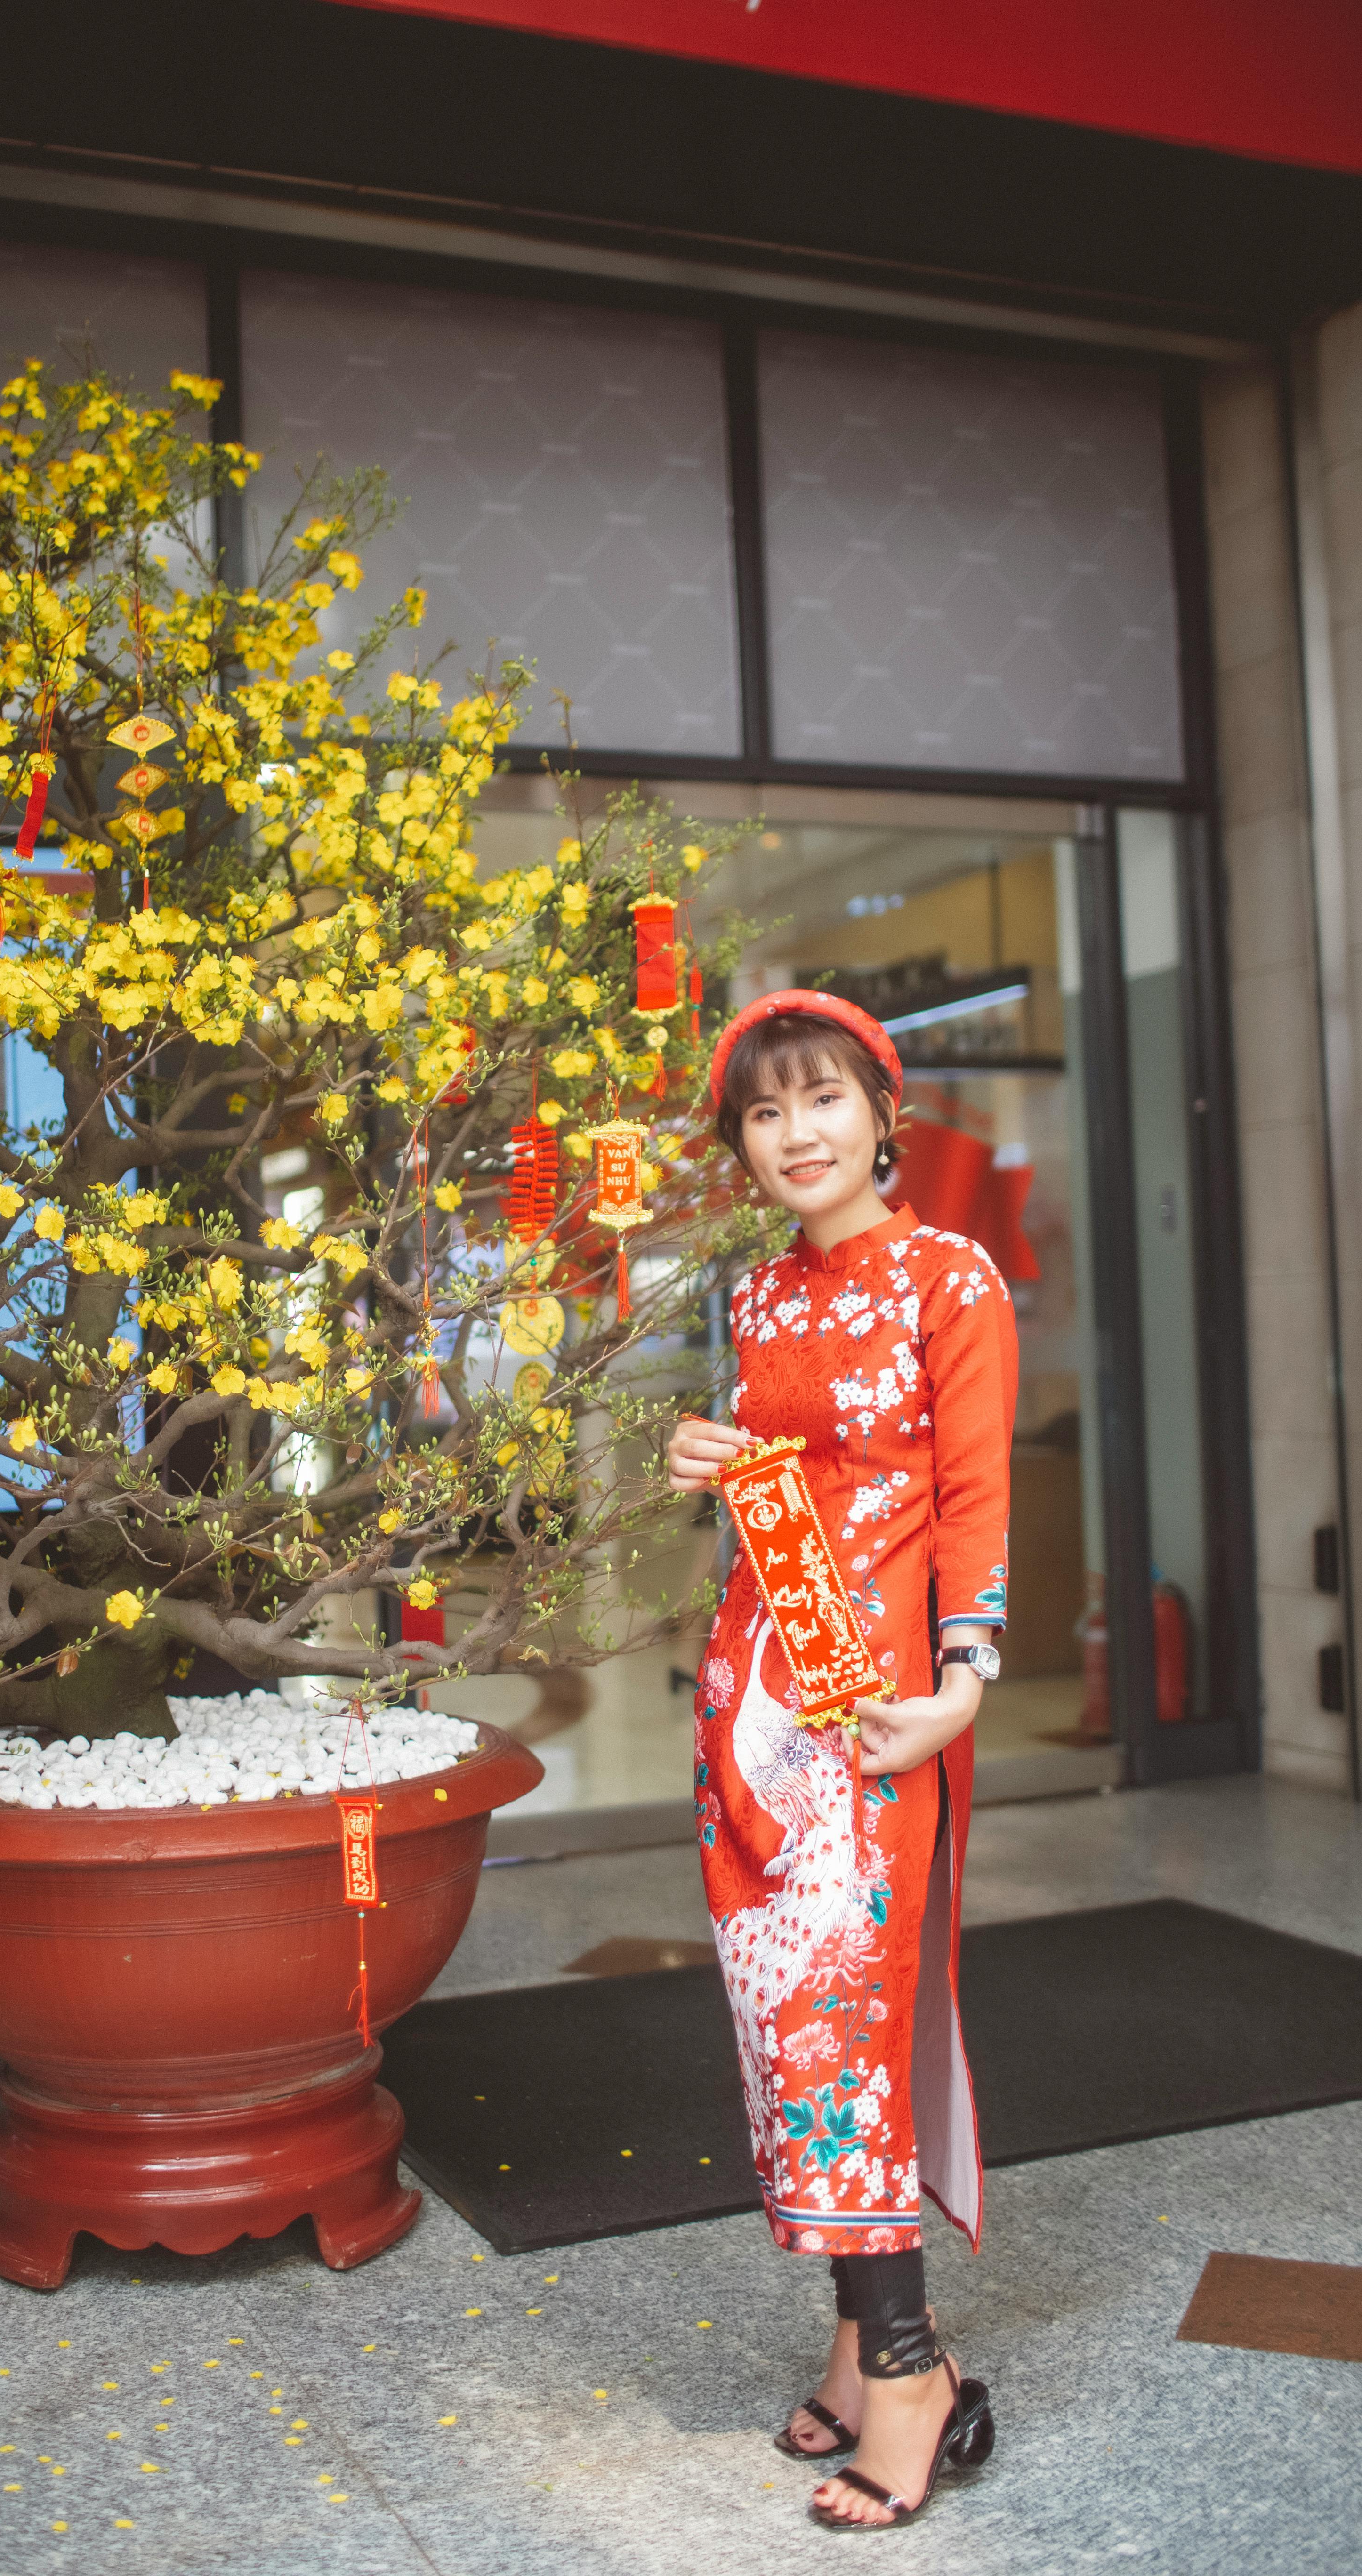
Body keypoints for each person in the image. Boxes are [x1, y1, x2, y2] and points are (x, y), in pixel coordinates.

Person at [667, 990, 1014, 2532]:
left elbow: (973, 1502)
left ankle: (920, 2374)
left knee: (842, 2035)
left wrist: (963, 1685)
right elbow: (776, 1495)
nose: (795, 1137)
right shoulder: (751, 1300)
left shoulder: (954, 1278)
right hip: (753, 1709)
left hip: (877, 1721)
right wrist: (707, 1467)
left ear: (885, 1110)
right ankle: (854, 2342)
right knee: (778, 2027)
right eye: (762, 1113)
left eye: (821, 1103)